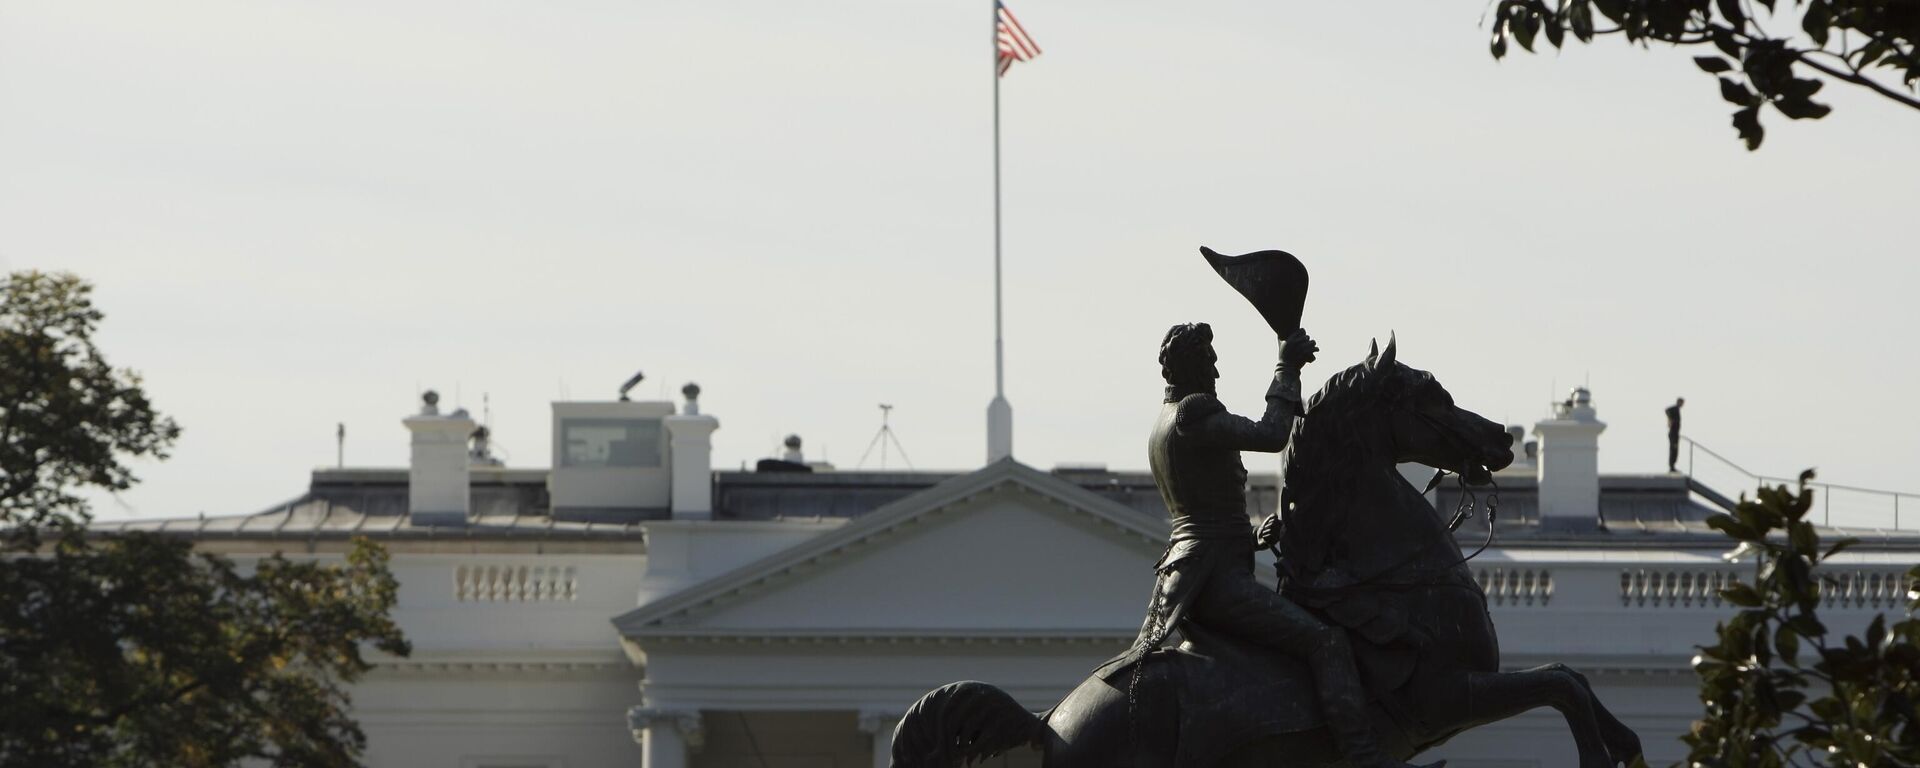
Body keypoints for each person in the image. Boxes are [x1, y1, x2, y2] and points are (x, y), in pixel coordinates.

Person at [1092, 322, 1440, 768]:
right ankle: (1364, 756)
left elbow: (1199, 514)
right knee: (1326, 643)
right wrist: (1286, 365)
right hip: (1214, 579)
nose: (1215, 367)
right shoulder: (1192, 412)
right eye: (1208, 358)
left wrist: (1251, 540)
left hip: (1195, 571)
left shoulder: (1160, 425)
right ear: (1191, 365)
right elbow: (1271, 433)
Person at [1666, 397, 1685, 473]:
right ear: (1679, 402)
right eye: (1682, 403)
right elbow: (1667, 410)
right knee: (1673, 450)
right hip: (1673, 433)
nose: (1682, 405)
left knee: (1675, 450)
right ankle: (1671, 467)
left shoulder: (1677, 409)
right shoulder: (1675, 408)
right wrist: (1670, 419)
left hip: (1676, 433)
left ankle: (1673, 466)